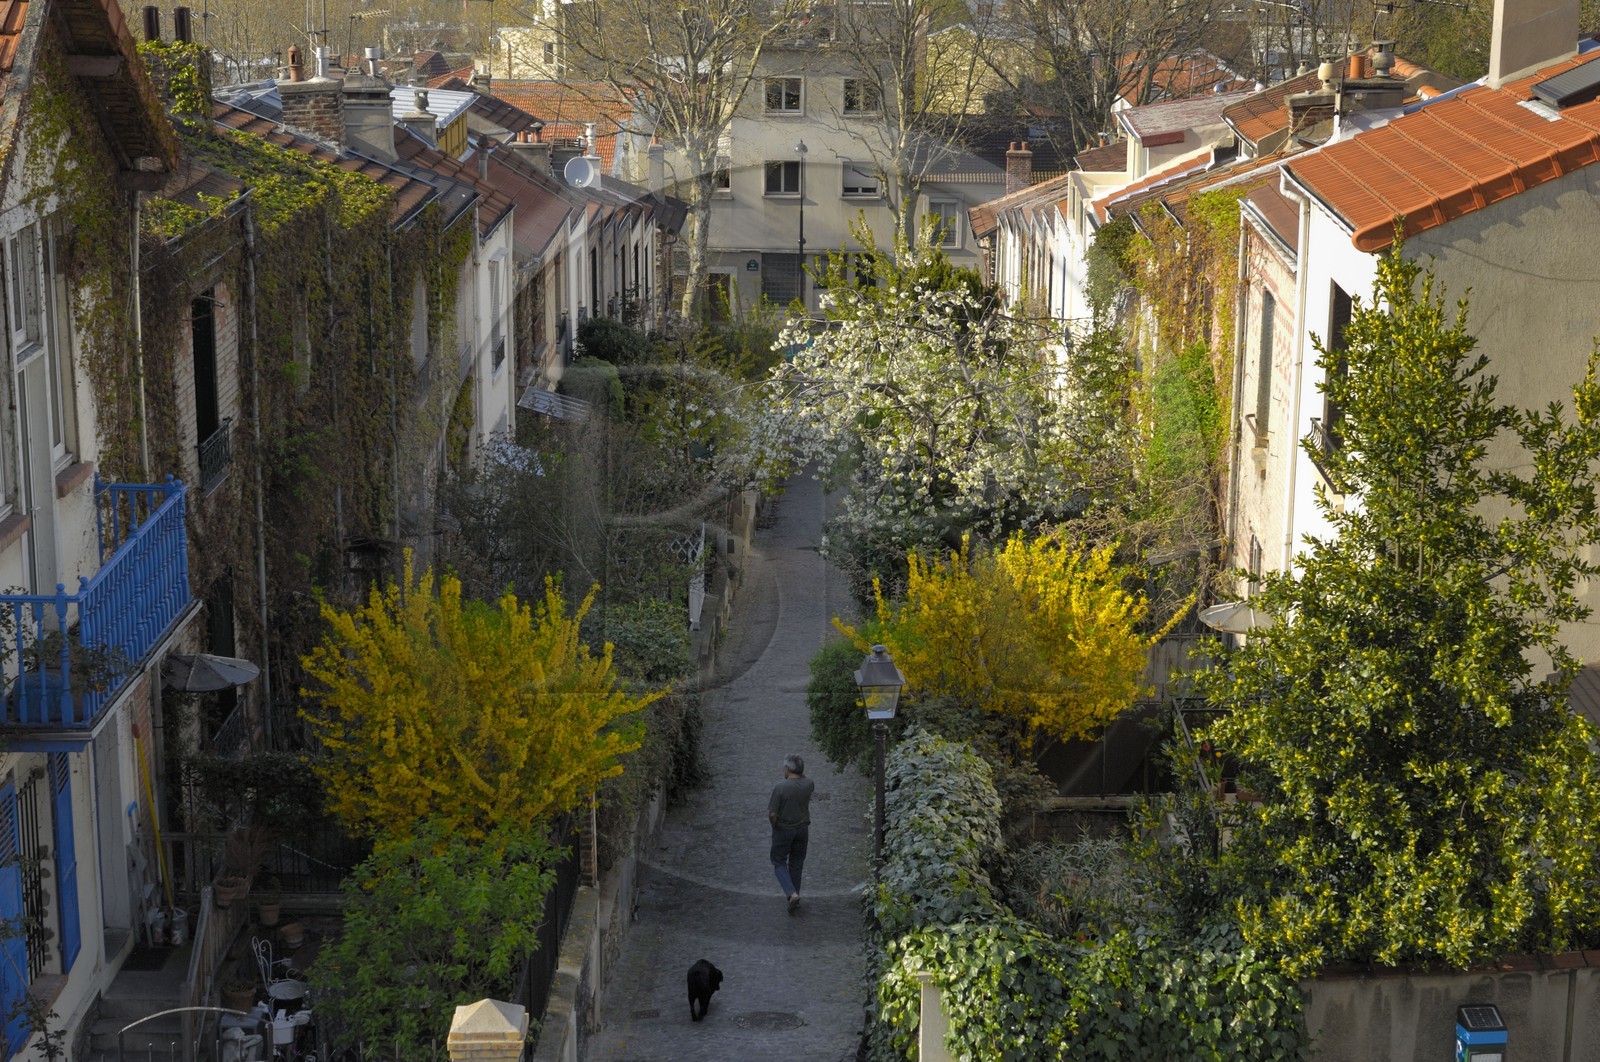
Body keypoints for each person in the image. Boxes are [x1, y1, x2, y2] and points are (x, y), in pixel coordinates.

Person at [768, 754, 815, 914]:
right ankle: (795, 896)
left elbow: (772, 813)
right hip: (802, 829)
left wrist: (775, 825)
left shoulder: (780, 788)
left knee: (779, 861)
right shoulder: (809, 784)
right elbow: (805, 778)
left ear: (787, 769)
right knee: (796, 863)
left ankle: (791, 893)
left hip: (784, 829)